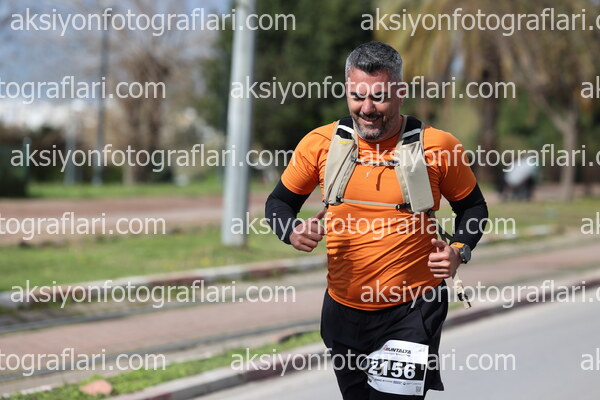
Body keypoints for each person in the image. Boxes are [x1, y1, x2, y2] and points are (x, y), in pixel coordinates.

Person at [265, 41, 488, 399]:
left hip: (412, 312)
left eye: (379, 97)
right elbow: (278, 202)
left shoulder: (439, 146)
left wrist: (458, 250)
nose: (367, 109)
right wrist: (290, 231)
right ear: (347, 90)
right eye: (357, 96)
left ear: (400, 93)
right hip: (343, 312)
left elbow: (474, 208)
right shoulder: (320, 144)